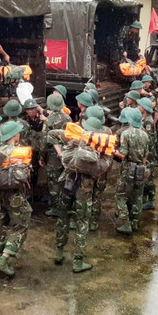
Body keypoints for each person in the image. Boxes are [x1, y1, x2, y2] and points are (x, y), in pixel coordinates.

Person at [53, 116, 104, 273]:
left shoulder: (74, 139)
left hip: (69, 181)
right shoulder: (98, 145)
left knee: (63, 216)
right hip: (85, 186)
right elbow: (101, 169)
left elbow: (53, 136)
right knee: (82, 221)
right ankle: (78, 261)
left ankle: (59, 252)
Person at [0, 121, 33, 277]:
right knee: (21, 224)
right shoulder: (18, 153)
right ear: (14, 136)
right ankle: (4, 259)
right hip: (14, 195)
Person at [113, 108, 150, 234]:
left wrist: (113, 151)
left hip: (128, 168)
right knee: (137, 196)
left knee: (120, 195)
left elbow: (123, 154)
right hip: (141, 168)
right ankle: (135, 222)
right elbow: (145, 157)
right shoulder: (145, 134)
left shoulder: (126, 134)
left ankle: (125, 223)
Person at [42, 94, 71, 217]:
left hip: (53, 155)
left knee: (53, 182)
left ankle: (55, 209)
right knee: (65, 180)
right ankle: (66, 206)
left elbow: (44, 141)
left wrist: (41, 157)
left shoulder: (48, 121)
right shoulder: (68, 118)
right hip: (66, 154)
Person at [86, 105, 113, 231]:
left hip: (88, 168)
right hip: (103, 168)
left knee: (86, 194)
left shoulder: (87, 132)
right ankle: (94, 222)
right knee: (97, 195)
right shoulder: (108, 132)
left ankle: (84, 221)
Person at [137, 97, 157, 210]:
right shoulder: (144, 118)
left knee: (149, 177)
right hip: (145, 151)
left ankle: (151, 201)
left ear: (144, 108)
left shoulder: (148, 121)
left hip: (148, 153)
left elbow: (148, 139)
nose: (138, 107)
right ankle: (144, 198)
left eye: (140, 105)